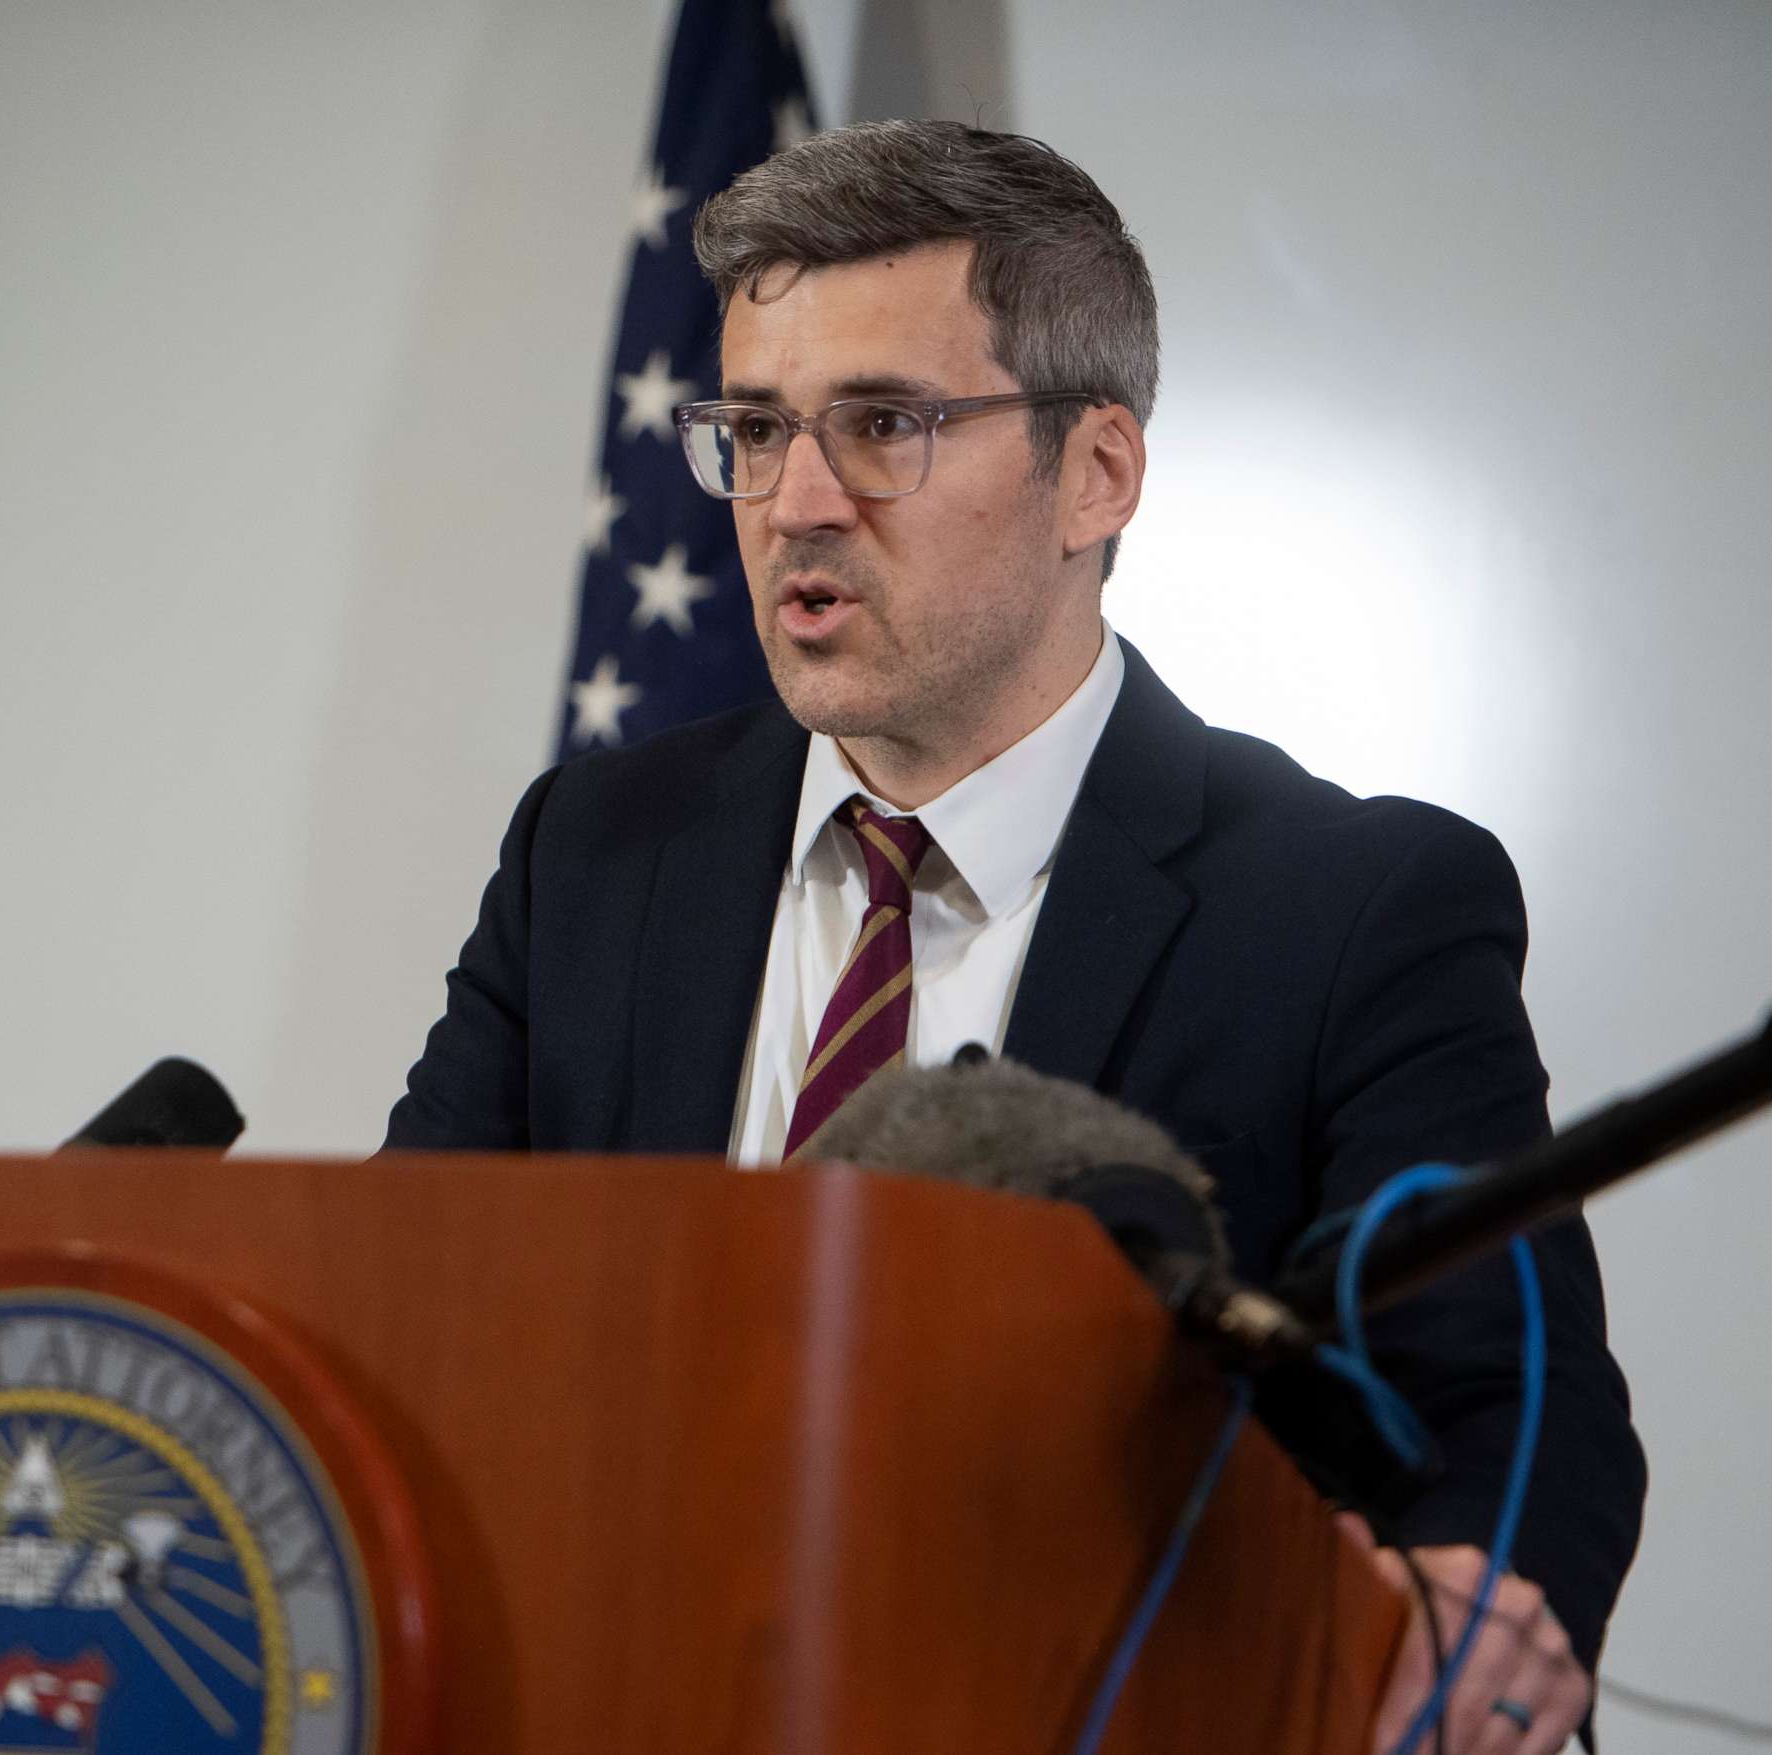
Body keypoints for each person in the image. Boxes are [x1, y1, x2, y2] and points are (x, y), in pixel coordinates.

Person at [386, 120, 1642, 1752]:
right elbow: (411, 1307)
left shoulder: (1354, 907)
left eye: (886, 426)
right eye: (754, 431)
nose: (797, 506)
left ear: (1097, 472)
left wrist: (1467, 1616)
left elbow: (1508, 1417)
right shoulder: (596, 853)